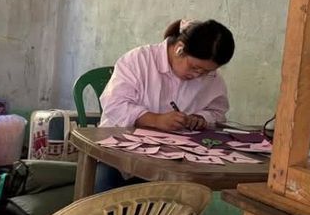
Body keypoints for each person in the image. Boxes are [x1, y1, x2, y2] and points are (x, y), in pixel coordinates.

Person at [97, 18, 236, 190]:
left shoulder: (211, 78)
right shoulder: (140, 60)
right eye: (194, 67)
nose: (198, 75)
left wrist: (201, 117)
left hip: (173, 159)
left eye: (206, 71)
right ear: (180, 49)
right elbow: (113, 104)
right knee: (107, 207)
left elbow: (217, 109)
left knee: (175, 207)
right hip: (120, 154)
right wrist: (154, 119)